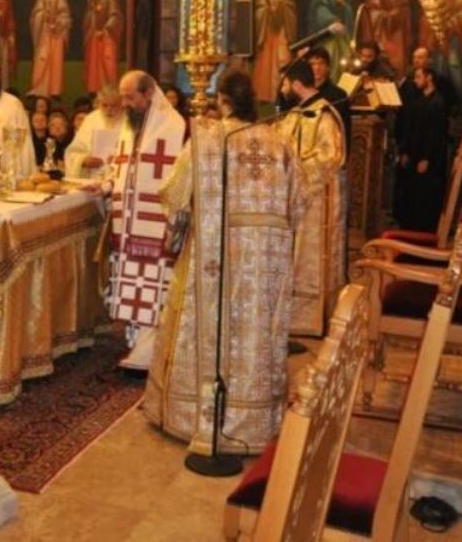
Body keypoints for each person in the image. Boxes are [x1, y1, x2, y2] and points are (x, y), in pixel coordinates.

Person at [144, 71, 301, 455]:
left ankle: (194, 416)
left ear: (223, 100)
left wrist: (177, 229)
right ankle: (255, 418)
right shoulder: (281, 142)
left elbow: (176, 194)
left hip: (212, 257)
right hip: (265, 264)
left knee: (208, 330)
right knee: (255, 333)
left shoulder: (208, 140)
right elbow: (298, 203)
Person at [103, 70, 187, 369]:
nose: (125, 104)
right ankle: (137, 340)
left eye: (130, 97)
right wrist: (106, 184)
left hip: (154, 225)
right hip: (127, 224)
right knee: (132, 285)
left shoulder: (175, 126)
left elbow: (178, 177)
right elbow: (121, 167)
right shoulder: (130, 126)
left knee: (152, 286)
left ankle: (150, 348)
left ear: (148, 93)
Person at [275, 60, 346, 336]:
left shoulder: (325, 116)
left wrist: (296, 172)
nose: (281, 89)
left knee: (310, 258)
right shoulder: (294, 114)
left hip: (317, 202)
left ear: (295, 84)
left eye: (284, 84)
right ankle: (290, 316)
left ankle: (312, 320)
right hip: (293, 199)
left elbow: (331, 157)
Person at [394, 65, 448, 231]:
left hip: (427, 160)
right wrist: (404, 151)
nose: (415, 81)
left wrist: (427, 158)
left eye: (418, 77)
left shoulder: (438, 103)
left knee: (424, 199)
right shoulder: (418, 100)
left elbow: (436, 135)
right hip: (413, 155)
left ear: (429, 77)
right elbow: (410, 128)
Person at [66, 84, 123, 179]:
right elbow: (72, 152)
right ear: (99, 103)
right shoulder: (91, 120)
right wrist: (84, 160)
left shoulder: (129, 121)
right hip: (93, 177)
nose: (109, 109)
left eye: (114, 105)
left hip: (119, 176)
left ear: (122, 103)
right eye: (105, 105)